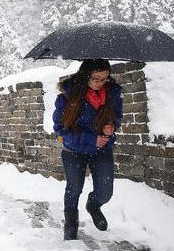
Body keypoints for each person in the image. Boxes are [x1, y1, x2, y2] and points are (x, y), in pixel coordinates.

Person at [53, 58, 123, 241]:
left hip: (102, 149)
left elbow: (117, 118)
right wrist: (92, 139)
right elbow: (60, 129)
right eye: (96, 78)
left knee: (106, 191)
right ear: (85, 76)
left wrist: (112, 126)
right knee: (74, 189)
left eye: (105, 79)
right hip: (74, 150)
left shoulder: (113, 94)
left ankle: (93, 205)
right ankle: (70, 227)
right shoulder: (67, 97)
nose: (101, 83)